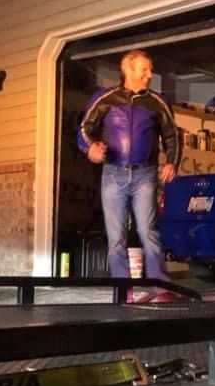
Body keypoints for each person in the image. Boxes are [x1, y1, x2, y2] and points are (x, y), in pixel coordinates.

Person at [78, 49, 182, 302]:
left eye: (150, 69)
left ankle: (161, 287)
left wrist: (172, 162)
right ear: (128, 70)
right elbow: (84, 129)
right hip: (113, 175)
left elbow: (172, 135)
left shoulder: (157, 102)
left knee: (148, 231)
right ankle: (123, 291)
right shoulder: (105, 98)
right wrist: (89, 147)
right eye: (144, 69)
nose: (150, 74)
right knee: (116, 237)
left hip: (145, 175)